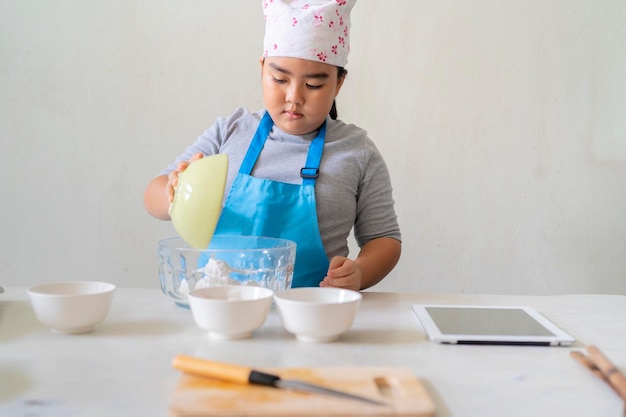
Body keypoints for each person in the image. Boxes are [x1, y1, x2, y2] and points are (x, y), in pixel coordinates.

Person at [144, 0, 401, 291]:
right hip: (220, 312)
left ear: (338, 83)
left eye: (314, 85)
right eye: (279, 79)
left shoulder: (356, 152)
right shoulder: (230, 131)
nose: (294, 96)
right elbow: (153, 195)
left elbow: (385, 238)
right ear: (262, 68)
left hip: (310, 316)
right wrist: (172, 194)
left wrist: (360, 272)